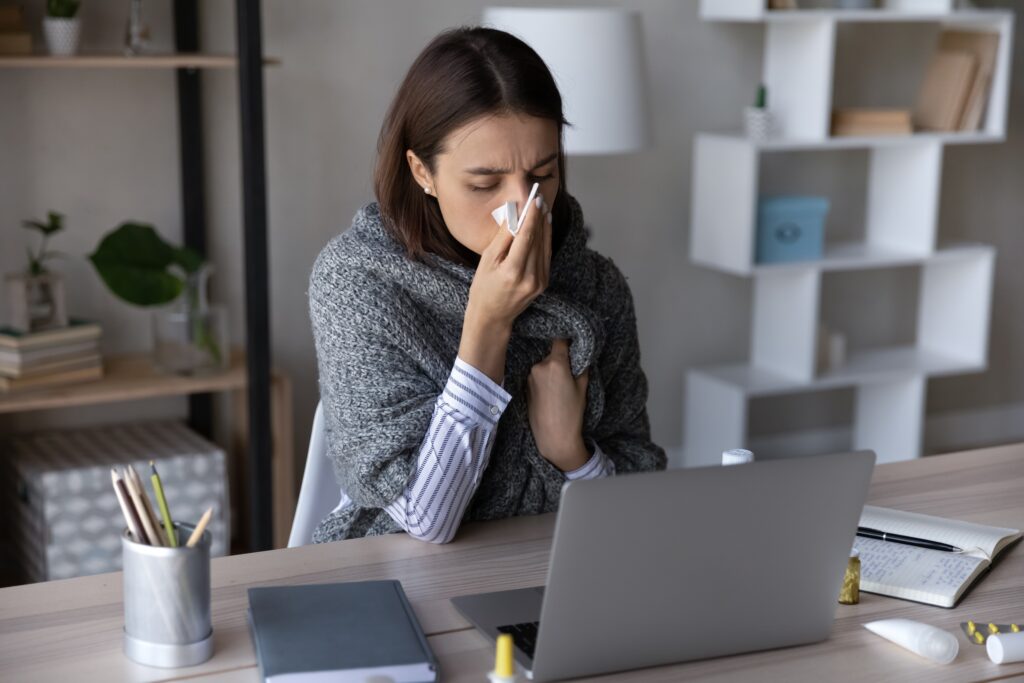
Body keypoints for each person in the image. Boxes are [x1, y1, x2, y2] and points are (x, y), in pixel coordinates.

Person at [309, 26, 666, 544]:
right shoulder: (360, 285)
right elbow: (426, 522)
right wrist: (488, 324)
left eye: (542, 174)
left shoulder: (596, 286)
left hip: (556, 571)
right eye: (484, 184)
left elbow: (640, 504)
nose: (522, 208)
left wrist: (572, 454)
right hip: (400, 577)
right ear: (421, 172)